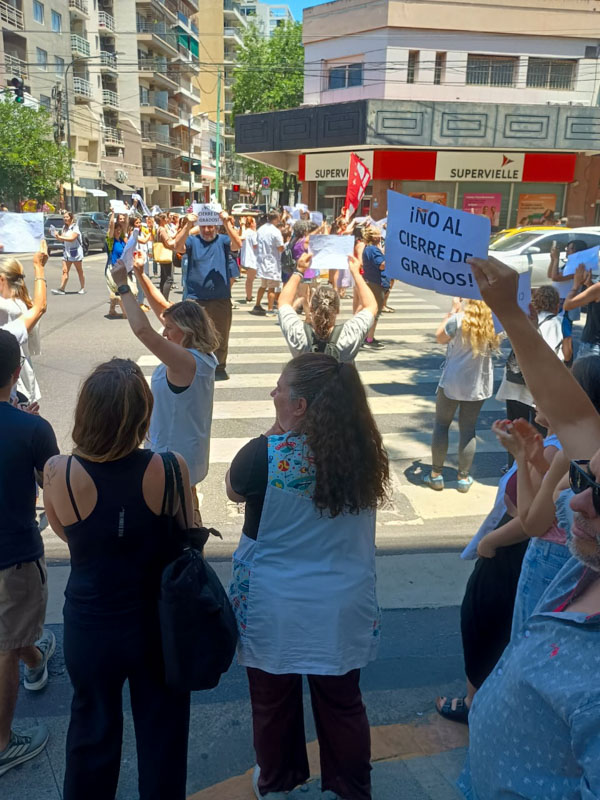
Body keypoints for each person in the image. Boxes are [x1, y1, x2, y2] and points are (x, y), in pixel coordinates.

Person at [456, 252, 600, 800]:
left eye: (596, 495)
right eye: (585, 480)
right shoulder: (588, 567)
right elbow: (579, 421)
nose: (578, 505)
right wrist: (511, 314)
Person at [226, 354, 389, 800]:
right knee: (342, 703)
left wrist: (275, 431)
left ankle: (279, 784)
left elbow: (233, 488)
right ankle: (351, 788)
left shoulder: (266, 454)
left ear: (298, 406)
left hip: (273, 604)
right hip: (341, 604)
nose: (273, 393)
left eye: (280, 388)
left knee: (272, 703)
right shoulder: (365, 455)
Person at [42, 358, 195, 800]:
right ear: (143, 415)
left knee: (91, 732)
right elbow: (188, 532)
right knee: (163, 736)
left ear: (85, 414)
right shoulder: (171, 468)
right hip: (157, 626)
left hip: (91, 626)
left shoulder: (59, 472)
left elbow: (66, 533)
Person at [111, 256, 219, 519]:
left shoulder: (186, 362)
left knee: (177, 519)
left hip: (173, 456)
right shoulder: (200, 355)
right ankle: (192, 554)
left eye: (170, 329)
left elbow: (143, 332)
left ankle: (188, 556)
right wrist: (141, 276)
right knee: (188, 508)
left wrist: (123, 286)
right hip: (185, 451)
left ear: (187, 331)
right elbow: (163, 309)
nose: (164, 333)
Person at [0, 329, 58, 777]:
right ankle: (3, 744)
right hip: (13, 553)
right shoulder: (34, 429)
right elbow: (53, 492)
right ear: (17, 372)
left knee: (14, 634)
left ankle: (36, 659)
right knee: (7, 643)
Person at [424, 298, 501, 493]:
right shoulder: (492, 323)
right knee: (468, 430)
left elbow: (439, 337)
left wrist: (452, 311)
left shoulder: (457, 320)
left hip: (452, 381)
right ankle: (463, 478)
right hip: (478, 384)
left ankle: (436, 475)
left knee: (442, 425)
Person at [495, 285, 564, 464]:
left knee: (514, 429)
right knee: (536, 433)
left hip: (514, 383)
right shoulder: (555, 323)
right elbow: (548, 355)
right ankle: (531, 469)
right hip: (535, 387)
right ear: (556, 305)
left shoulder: (525, 320)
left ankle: (513, 468)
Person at [175, 209, 242, 381]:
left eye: (211, 226)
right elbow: (177, 247)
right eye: (204, 226)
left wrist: (227, 223)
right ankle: (194, 363)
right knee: (192, 334)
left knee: (221, 333)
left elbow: (237, 245)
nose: (207, 230)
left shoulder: (223, 240)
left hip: (220, 298)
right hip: (195, 297)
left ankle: (219, 366)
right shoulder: (192, 240)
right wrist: (187, 225)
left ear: (216, 226)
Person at [277, 253, 378, 361]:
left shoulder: (298, 333)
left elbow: (283, 302)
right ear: (337, 310)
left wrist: (299, 270)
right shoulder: (349, 334)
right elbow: (371, 306)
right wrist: (356, 274)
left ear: (311, 308)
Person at [0, 257, 41, 402]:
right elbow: (40, 306)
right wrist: (39, 268)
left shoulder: (6, 308)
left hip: (12, 385)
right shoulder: (23, 301)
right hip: (23, 377)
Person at [547, 239, 587, 364]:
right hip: (560, 301)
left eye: (569, 249)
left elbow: (556, 277)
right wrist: (553, 260)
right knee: (560, 331)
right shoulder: (569, 264)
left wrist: (557, 258)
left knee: (566, 334)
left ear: (576, 252)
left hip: (566, 303)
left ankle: (568, 362)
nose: (566, 251)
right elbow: (550, 274)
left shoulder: (577, 266)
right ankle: (564, 359)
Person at [564, 261, 600, 360]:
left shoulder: (598, 289)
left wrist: (576, 285)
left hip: (593, 345)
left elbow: (568, 305)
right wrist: (589, 284)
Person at [251, 211, 284, 317]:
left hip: (262, 260)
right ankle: (270, 309)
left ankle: (257, 305)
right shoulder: (275, 231)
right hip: (272, 261)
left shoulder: (261, 229)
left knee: (263, 285)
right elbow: (280, 247)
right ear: (277, 218)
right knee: (272, 287)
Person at [361, 227, 387, 349]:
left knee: (371, 311)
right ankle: (369, 339)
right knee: (375, 312)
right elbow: (382, 265)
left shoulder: (369, 248)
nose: (381, 236)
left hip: (371, 281)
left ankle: (368, 337)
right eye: (379, 234)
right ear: (374, 237)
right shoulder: (373, 250)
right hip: (376, 283)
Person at [51, 211, 85, 295]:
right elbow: (62, 239)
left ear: (71, 218)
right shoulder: (64, 228)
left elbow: (72, 238)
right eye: (64, 217)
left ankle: (82, 288)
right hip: (67, 252)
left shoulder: (75, 227)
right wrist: (56, 236)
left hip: (75, 252)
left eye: (67, 217)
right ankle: (62, 289)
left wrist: (60, 237)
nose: (65, 219)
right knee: (65, 271)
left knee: (79, 271)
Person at [153, 213, 177, 302]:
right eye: (166, 218)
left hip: (162, 254)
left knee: (163, 277)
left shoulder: (159, 229)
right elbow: (167, 242)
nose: (168, 219)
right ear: (162, 219)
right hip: (166, 254)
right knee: (169, 278)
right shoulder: (162, 229)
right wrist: (175, 240)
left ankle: (163, 298)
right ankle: (165, 300)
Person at [240, 215, 258, 304]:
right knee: (250, 280)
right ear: (251, 224)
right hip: (252, 258)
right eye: (254, 222)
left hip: (245, 258)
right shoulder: (252, 233)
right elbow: (256, 245)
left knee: (249, 279)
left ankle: (249, 295)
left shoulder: (245, 232)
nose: (256, 224)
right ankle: (249, 296)